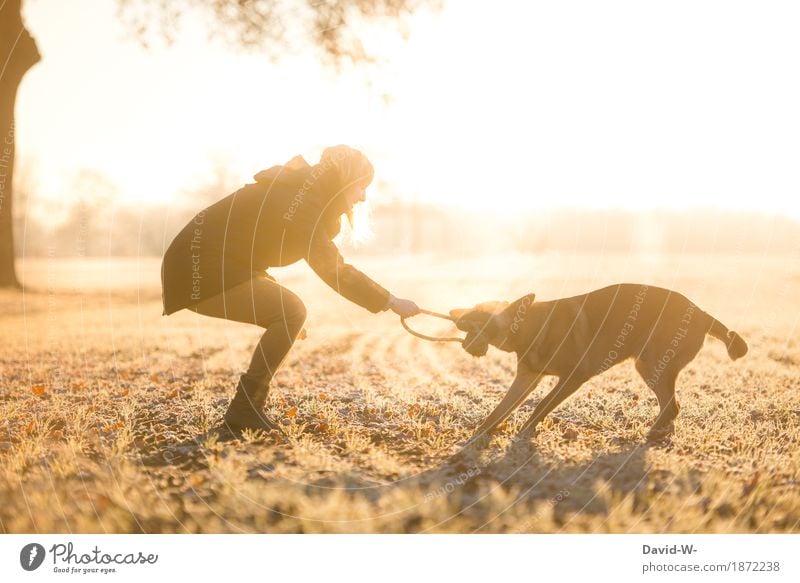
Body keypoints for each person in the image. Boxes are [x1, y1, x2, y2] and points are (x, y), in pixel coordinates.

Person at [160, 145, 420, 433]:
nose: (364, 196)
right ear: (344, 181)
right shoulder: (303, 202)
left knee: (288, 314)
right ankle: (245, 409)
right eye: (361, 186)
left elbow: (241, 248)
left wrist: (284, 319)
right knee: (291, 311)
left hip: (207, 266)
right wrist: (390, 300)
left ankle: (246, 408)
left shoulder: (303, 195)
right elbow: (332, 268)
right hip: (196, 269)